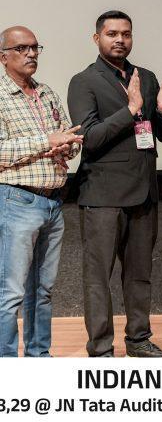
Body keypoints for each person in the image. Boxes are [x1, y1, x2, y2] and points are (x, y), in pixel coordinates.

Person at [67, 10, 162, 358]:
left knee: (140, 274)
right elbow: (91, 137)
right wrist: (131, 109)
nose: (120, 40)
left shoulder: (145, 77)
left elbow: (161, 135)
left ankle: (139, 339)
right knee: (98, 277)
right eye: (112, 33)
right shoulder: (84, 81)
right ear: (96, 38)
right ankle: (101, 348)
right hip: (103, 194)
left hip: (144, 192)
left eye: (126, 34)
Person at [0, 26, 82, 357]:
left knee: (44, 290)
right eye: (22, 48)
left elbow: (68, 137)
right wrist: (46, 142)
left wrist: (67, 146)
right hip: (16, 201)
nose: (31, 54)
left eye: (35, 47)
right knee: (11, 293)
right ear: (3, 57)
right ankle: (6, 366)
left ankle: (38, 357)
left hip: (53, 203)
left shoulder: (46, 93)